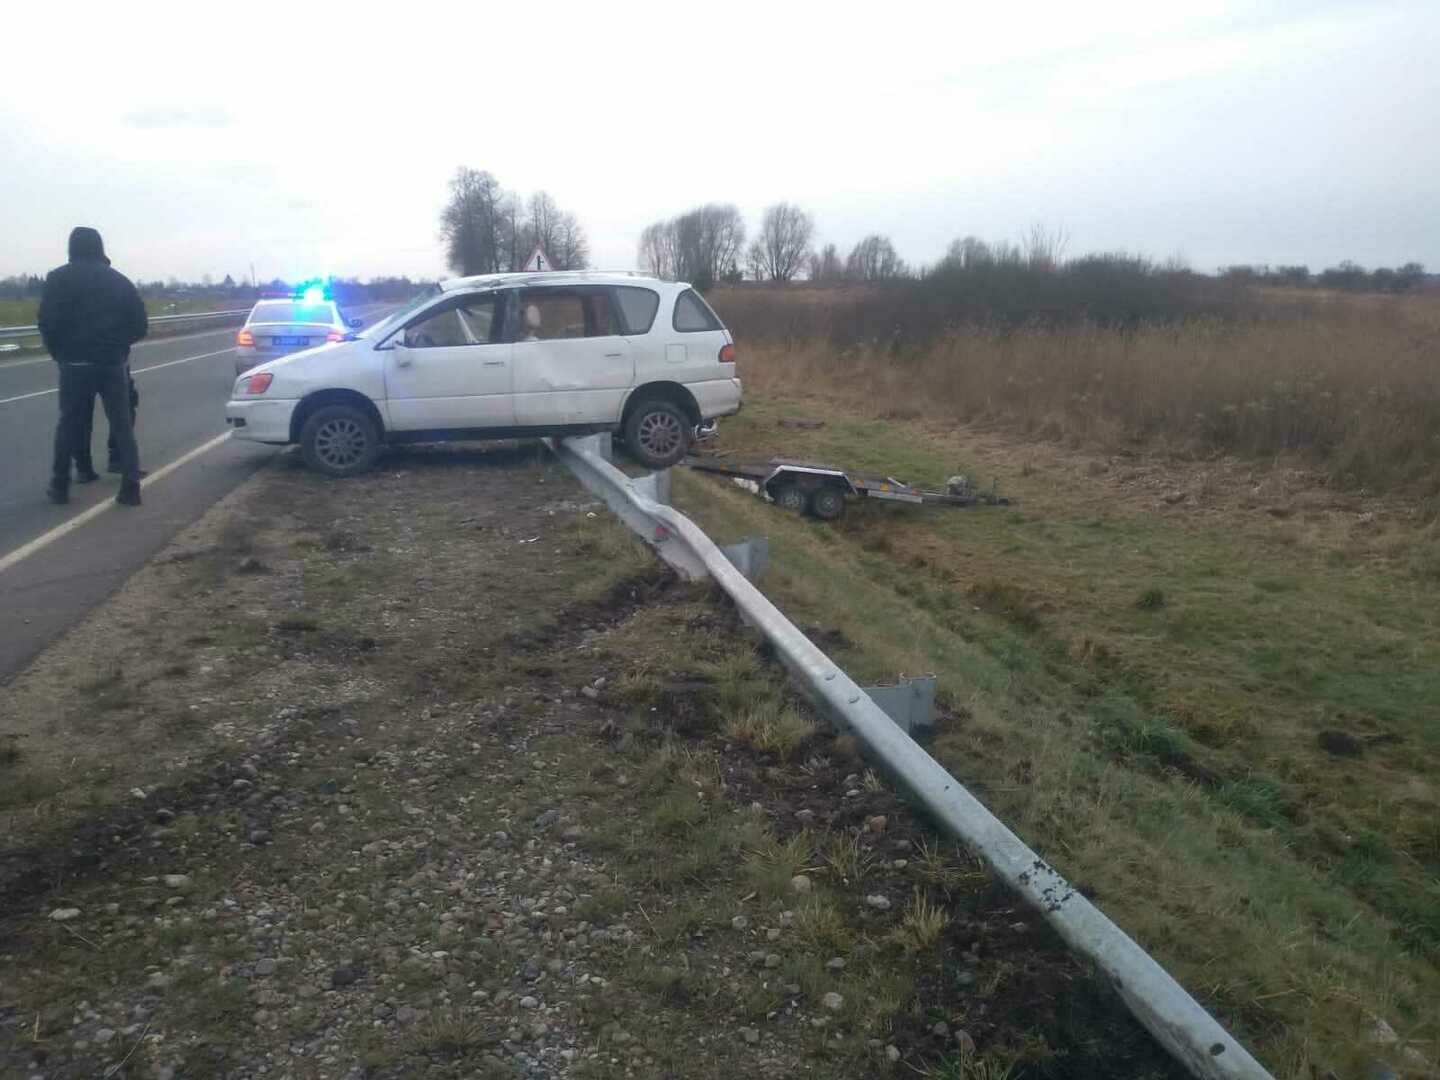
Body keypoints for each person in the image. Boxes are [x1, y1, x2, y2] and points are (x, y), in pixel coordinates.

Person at [38, 227, 147, 506]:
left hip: (74, 362)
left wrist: (59, 353)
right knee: (122, 424)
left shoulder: (57, 279)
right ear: (100, 247)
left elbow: (47, 323)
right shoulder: (119, 281)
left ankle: (60, 485)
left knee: (69, 424)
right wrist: (119, 347)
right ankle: (131, 488)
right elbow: (139, 325)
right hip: (111, 361)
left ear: (71, 247)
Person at [71, 368, 140, 482]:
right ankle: (115, 459)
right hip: (104, 361)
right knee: (123, 409)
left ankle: (83, 466)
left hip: (82, 363)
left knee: (80, 416)